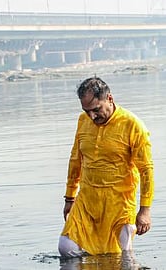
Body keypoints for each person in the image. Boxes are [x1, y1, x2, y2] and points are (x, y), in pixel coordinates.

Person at [58, 76, 154, 257]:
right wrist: (69, 198)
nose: (92, 116)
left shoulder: (133, 125)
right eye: (86, 111)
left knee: (121, 255)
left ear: (109, 98)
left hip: (119, 203)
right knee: (67, 248)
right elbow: (75, 159)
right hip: (87, 201)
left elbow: (146, 170)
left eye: (96, 110)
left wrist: (145, 211)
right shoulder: (83, 121)